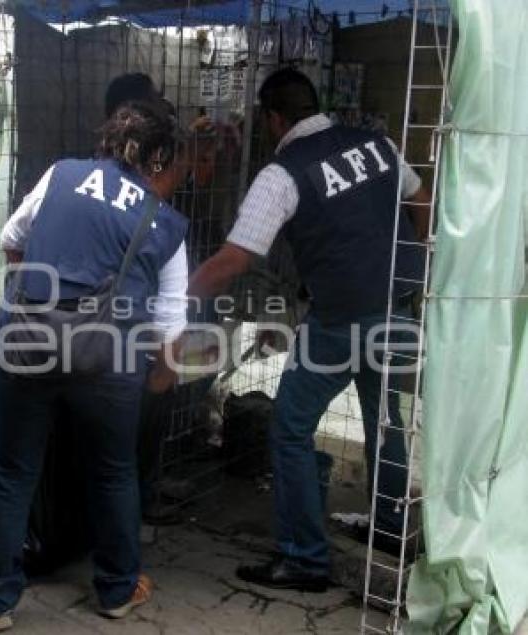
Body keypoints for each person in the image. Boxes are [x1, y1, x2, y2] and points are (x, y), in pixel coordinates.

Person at [188, 68, 430, 592]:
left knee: (291, 427)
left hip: (340, 322)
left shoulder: (283, 173)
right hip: (400, 306)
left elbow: (235, 257)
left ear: (274, 119)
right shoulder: (378, 144)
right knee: (385, 422)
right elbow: (421, 197)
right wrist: (413, 257)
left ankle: (304, 558)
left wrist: (182, 294)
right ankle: (391, 532)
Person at [0, 99, 191, 632]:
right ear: (158, 161)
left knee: (12, 473)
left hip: (25, 344)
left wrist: (46, 289)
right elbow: (170, 319)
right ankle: (116, 590)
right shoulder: (166, 221)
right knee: (114, 472)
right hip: (109, 362)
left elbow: (12, 240)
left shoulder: (61, 175)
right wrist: (161, 377)